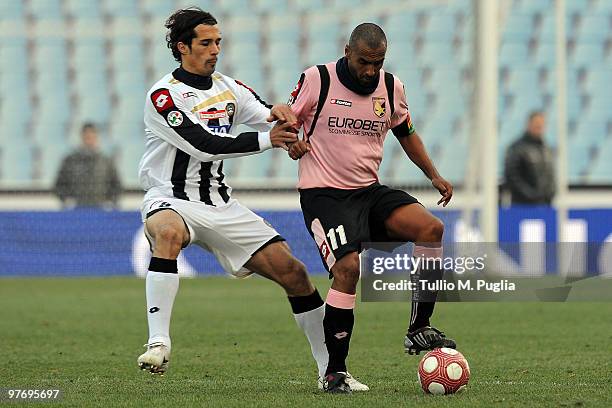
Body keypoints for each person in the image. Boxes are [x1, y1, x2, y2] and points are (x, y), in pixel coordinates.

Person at [135, 8, 368, 392]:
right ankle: (158, 342)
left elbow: (266, 117)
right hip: (171, 198)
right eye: (206, 43)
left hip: (222, 206)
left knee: (294, 273)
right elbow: (203, 145)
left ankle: (332, 371)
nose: (215, 50)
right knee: (168, 234)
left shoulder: (228, 87)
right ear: (182, 47)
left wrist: (287, 126)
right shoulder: (163, 97)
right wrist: (269, 140)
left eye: (218, 42)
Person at [287, 23, 456, 393]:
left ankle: (419, 328)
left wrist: (434, 175)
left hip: (368, 193)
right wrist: (293, 143)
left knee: (431, 229)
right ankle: (335, 372)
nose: (369, 71)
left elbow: (406, 133)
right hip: (324, 195)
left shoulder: (392, 88)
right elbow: (287, 117)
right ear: (347, 51)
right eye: (364, 62)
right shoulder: (318, 79)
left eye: (377, 63)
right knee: (348, 268)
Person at [54, 123, 121, 208]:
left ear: (96, 138)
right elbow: (59, 185)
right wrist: (67, 199)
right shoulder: (70, 161)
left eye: (91, 137)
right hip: (76, 210)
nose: (89, 140)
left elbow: (116, 186)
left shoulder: (106, 162)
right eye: (86, 137)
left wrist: (110, 201)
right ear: (81, 137)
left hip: (100, 210)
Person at [504, 111, 555, 205]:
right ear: (529, 124)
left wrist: (550, 194)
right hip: (523, 205)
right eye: (537, 124)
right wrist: (531, 195)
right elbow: (512, 177)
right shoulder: (517, 148)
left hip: (545, 205)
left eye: (541, 125)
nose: (539, 127)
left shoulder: (546, 148)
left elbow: (550, 175)